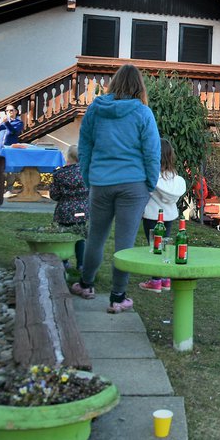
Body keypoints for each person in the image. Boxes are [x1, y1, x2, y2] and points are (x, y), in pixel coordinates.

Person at [71, 64, 161, 315]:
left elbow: (85, 147)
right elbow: (152, 152)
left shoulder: (95, 110)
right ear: (139, 86)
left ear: (114, 83)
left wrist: (89, 178)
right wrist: (150, 183)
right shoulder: (143, 113)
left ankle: (86, 284)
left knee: (96, 236)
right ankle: (117, 297)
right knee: (125, 243)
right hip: (134, 185)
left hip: (100, 182)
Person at [138, 138, 187, 294]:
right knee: (165, 246)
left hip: (152, 216)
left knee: (154, 248)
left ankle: (155, 281)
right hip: (169, 216)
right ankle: (165, 279)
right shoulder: (175, 179)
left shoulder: (151, 177)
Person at [49, 144, 89, 270]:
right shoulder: (87, 172)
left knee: (64, 236)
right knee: (80, 237)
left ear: (68, 156)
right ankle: (81, 264)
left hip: (64, 210)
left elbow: (54, 195)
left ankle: (64, 261)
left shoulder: (60, 174)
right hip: (82, 209)